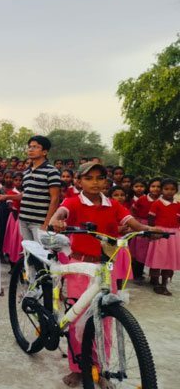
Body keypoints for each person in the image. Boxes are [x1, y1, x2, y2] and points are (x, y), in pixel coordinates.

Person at [49, 162, 154, 387]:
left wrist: (147, 230)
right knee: (78, 317)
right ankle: (78, 368)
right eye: (89, 178)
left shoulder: (113, 205)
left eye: (99, 177)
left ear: (106, 181)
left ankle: (100, 368)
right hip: (80, 266)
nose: (95, 182)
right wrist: (56, 220)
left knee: (105, 320)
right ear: (78, 181)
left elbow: (130, 222)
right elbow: (61, 212)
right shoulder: (73, 202)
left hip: (106, 267)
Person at [0, 136, 61, 241]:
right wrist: (5, 197)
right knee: (28, 249)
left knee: (41, 250)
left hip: (40, 222)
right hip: (23, 220)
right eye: (29, 147)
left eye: (35, 147)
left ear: (44, 152)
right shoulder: (26, 172)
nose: (31, 149)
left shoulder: (51, 171)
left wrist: (47, 223)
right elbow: (26, 195)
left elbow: (55, 199)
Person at [145, 178, 180, 295]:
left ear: (176, 191)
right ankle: (155, 282)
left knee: (169, 258)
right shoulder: (157, 203)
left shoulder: (178, 205)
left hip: (173, 235)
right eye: (166, 189)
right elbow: (151, 219)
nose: (169, 191)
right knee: (158, 257)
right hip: (159, 232)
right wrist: (151, 232)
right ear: (161, 190)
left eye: (172, 189)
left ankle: (164, 283)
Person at [129, 177, 155, 283]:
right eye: (137, 186)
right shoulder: (142, 199)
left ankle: (141, 273)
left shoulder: (157, 199)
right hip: (140, 223)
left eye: (142, 186)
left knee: (145, 250)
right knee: (138, 250)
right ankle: (136, 274)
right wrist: (135, 219)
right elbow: (132, 209)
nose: (139, 188)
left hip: (151, 225)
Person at [2, 172, 24, 267]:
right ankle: (13, 260)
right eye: (16, 180)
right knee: (13, 239)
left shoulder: (25, 192)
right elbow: (10, 205)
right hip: (14, 218)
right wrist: (14, 209)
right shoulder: (11, 192)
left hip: (23, 217)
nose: (18, 182)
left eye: (20, 180)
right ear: (13, 181)